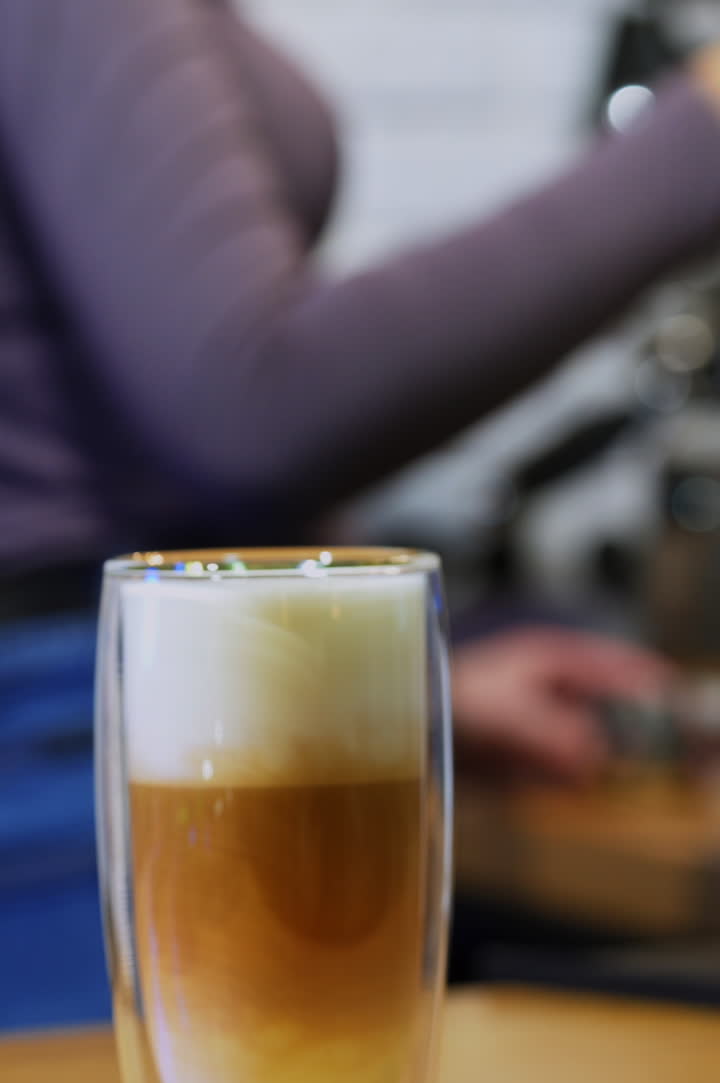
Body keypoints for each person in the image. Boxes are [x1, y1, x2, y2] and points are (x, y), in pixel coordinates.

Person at [0, 0, 719, 1028]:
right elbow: (251, 400)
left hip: (136, 711)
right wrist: (700, 129)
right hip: (77, 764)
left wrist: (358, 696)